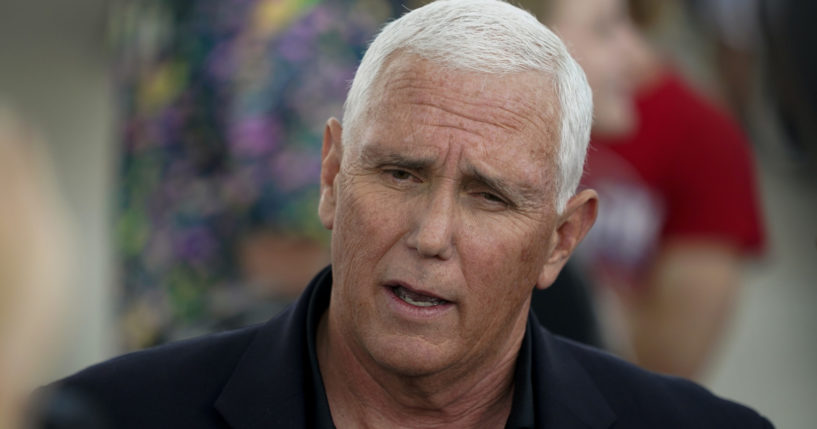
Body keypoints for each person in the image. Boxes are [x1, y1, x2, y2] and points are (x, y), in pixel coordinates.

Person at [39, 0, 773, 427]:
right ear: (331, 174)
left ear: (562, 238)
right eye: (397, 173)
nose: (430, 236)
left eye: (489, 196)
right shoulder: (107, 415)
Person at [524, 0, 766, 379]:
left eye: (631, 21)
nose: (637, 52)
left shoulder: (703, 133)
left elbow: (664, 372)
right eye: (605, 28)